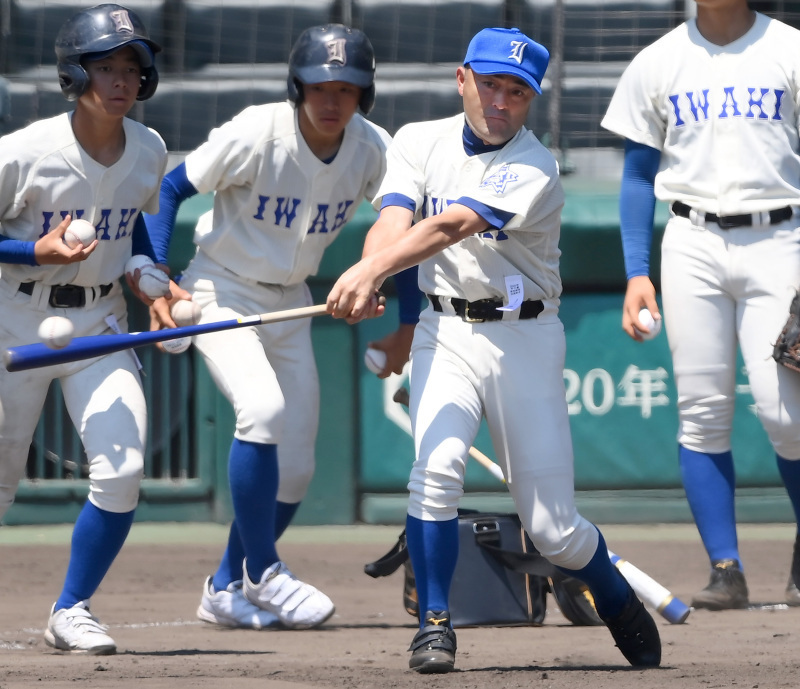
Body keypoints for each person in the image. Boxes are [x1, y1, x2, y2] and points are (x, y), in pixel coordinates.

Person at [326, 27, 662, 672]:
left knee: (554, 529)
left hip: (523, 334)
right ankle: (434, 623)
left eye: (516, 91)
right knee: (436, 470)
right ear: (462, 80)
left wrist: (373, 273)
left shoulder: (533, 164)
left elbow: (450, 226)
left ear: (530, 100)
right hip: (444, 329)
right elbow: (395, 221)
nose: (500, 100)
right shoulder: (419, 140)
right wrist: (368, 276)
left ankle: (617, 599)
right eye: (489, 84)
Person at [144, 24, 391, 631]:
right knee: (261, 408)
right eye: (319, 86)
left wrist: (392, 305)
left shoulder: (371, 147)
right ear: (296, 86)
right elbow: (171, 187)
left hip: (292, 301)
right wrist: (154, 273)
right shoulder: (259, 131)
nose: (332, 101)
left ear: (365, 93)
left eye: (348, 88)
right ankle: (264, 571)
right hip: (220, 289)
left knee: (299, 466)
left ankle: (223, 587)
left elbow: (401, 226)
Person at [600, 0, 800, 610]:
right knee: (702, 411)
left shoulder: (790, 49)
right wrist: (636, 273)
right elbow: (638, 178)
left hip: (781, 235)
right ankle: (726, 568)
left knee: (784, 413)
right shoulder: (658, 61)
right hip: (691, 240)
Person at [0, 4, 168, 653]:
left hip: (99, 321)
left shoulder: (149, 147)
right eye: (106, 66)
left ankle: (71, 607)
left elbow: (141, 218)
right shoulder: (24, 152)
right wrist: (28, 252)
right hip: (16, 316)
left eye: (131, 67)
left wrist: (150, 269)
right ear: (75, 73)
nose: (121, 80)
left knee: (122, 465)